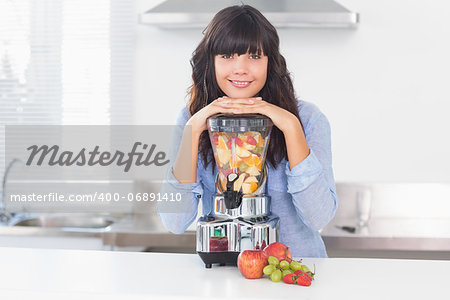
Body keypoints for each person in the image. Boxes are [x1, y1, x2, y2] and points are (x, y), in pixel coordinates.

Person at [158, 5, 338, 258]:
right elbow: (173, 223)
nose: (240, 68)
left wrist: (290, 127)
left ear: (270, 63)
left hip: (294, 273)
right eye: (227, 56)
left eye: (254, 57)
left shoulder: (306, 119)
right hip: (223, 277)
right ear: (210, 62)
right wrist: (194, 129)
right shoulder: (191, 119)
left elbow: (318, 216)